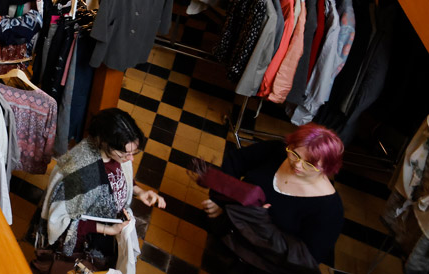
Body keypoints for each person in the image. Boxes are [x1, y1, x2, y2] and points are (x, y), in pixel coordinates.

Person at [199, 124, 345, 271]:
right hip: (227, 234)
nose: (298, 165)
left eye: (309, 164)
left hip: (257, 265)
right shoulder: (277, 151)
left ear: (327, 168)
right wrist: (220, 198)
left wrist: (262, 224)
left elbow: (306, 259)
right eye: (295, 154)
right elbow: (236, 160)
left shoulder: (330, 210)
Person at [35, 108, 166, 272]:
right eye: (126, 153)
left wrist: (140, 191)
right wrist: (107, 230)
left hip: (105, 233)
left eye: (135, 153)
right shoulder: (81, 174)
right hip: (81, 244)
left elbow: (119, 177)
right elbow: (62, 222)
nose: (131, 159)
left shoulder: (116, 154)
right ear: (105, 142)